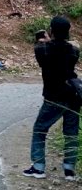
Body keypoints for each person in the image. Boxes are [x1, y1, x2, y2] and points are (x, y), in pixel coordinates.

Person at [24, 16, 81, 181]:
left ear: (52, 30)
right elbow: (66, 49)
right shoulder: (74, 51)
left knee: (40, 130)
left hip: (54, 97)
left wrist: (46, 39)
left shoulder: (43, 50)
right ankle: (69, 170)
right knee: (71, 134)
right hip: (73, 96)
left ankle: (38, 167)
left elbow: (41, 46)